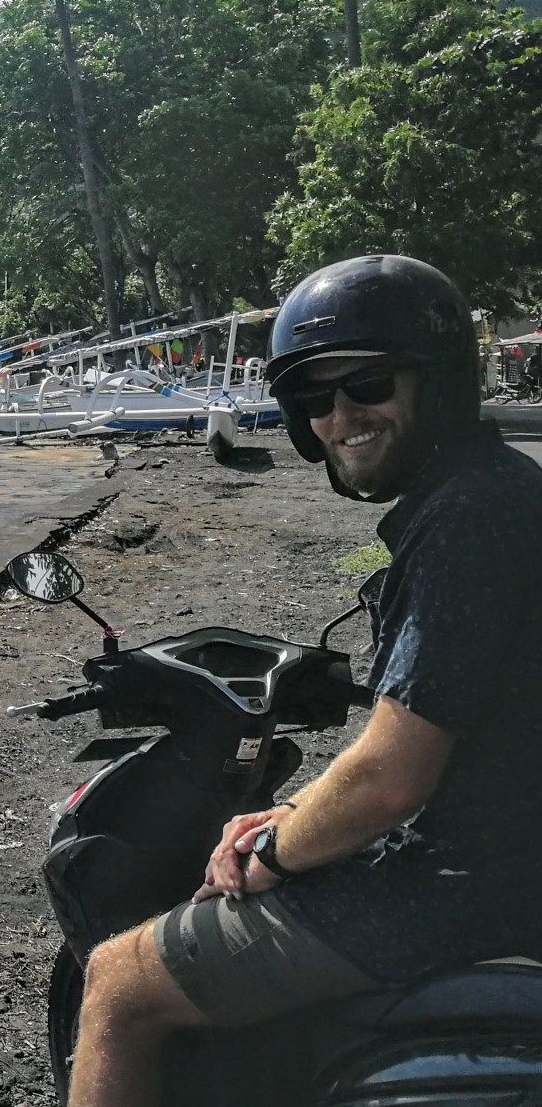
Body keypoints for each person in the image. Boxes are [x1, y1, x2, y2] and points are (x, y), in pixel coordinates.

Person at [66, 254, 542, 1107]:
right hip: (496, 856)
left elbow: (391, 777)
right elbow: (423, 725)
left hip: (460, 886)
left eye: (364, 384)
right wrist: (292, 810)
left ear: (435, 383)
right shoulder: (488, 489)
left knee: (116, 985)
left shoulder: (467, 517)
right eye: (314, 398)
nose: (339, 416)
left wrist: (271, 851)